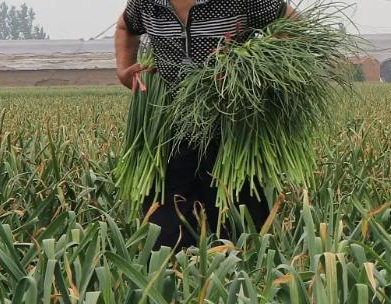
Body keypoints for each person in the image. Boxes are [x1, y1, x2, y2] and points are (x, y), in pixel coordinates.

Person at [115, 0, 295, 249]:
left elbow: (291, 24)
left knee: (237, 219)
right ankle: (175, 275)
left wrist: (254, 67)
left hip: (230, 124)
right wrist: (124, 69)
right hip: (167, 124)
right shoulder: (146, 2)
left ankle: (244, 275)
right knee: (167, 228)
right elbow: (126, 27)